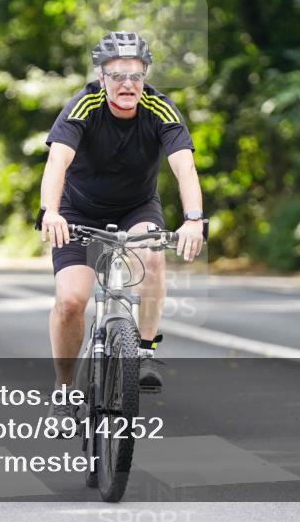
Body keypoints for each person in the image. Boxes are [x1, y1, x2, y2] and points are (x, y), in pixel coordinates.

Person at [38, 31, 205, 420]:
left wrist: (194, 220)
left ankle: (144, 350)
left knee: (152, 255)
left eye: (135, 74)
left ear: (145, 75)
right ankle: (64, 391)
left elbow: (185, 168)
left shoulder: (160, 109)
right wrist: (51, 212)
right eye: (117, 75)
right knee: (70, 302)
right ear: (101, 77)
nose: (127, 83)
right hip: (77, 210)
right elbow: (56, 163)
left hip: (136, 207)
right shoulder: (83, 106)